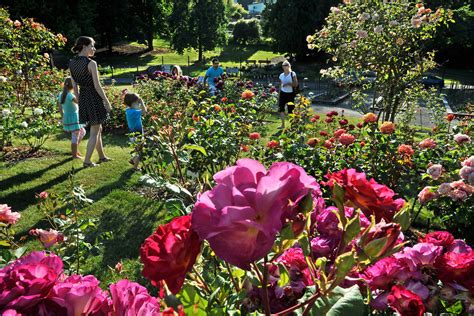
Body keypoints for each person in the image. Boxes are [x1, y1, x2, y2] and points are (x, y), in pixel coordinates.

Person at [69, 36, 112, 168]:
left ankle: (102, 156)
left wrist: (79, 100)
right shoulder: (91, 63)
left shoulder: (71, 63)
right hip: (93, 97)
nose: (94, 49)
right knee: (95, 130)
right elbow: (97, 86)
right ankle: (87, 161)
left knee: (98, 128)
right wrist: (107, 101)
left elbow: (74, 85)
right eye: (92, 46)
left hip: (83, 97)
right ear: (84, 47)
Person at [58, 77, 86, 159]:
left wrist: (63, 117)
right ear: (73, 85)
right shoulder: (70, 95)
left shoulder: (61, 95)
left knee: (82, 132)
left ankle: (75, 149)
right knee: (75, 136)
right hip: (74, 117)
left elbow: (60, 108)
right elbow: (79, 103)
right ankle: (74, 155)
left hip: (68, 116)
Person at [124, 93, 147, 171]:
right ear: (133, 104)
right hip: (137, 135)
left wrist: (137, 101)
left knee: (138, 149)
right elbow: (144, 111)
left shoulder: (128, 110)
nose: (139, 104)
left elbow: (136, 108)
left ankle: (133, 159)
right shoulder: (134, 112)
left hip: (133, 134)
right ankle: (135, 168)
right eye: (137, 103)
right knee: (140, 152)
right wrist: (142, 102)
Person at [278, 60, 298, 129]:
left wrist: (288, 83)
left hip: (290, 94)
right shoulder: (281, 75)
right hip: (283, 93)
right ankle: (283, 124)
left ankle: (292, 125)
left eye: (286, 65)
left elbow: (296, 84)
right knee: (281, 109)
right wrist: (279, 95)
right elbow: (280, 85)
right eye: (284, 65)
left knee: (291, 110)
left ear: (289, 66)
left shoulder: (293, 74)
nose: (285, 66)